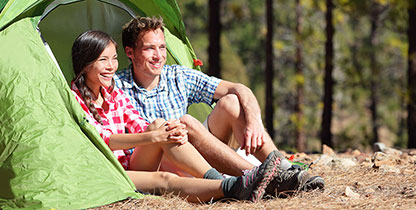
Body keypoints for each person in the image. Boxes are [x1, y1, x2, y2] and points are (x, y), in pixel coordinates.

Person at [69, 29, 308, 203]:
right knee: (170, 143)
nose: (158, 55)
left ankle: (276, 170)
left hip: (170, 152)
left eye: (162, 47)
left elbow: (140, 123)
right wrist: (155, 137)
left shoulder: (114, 91)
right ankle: (249, 179)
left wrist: (164, 131)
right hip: (128, 164)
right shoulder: (91, 92)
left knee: (205, 111)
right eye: (103, 60)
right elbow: (104, 139)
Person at [114, 16, 324, 191]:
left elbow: (240, 89)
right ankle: (260, 177)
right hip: (151, 164)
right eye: (149, 49)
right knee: (180, 123)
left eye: (162, 47)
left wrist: (255, 121)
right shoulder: (115, 85)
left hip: (190, 157)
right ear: (130, 52)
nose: (159, 56)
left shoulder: (177, 75)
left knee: (231, 102)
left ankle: (282, 168)